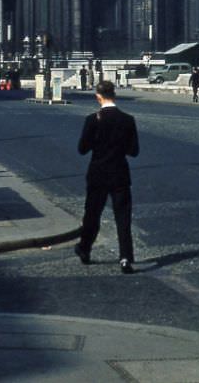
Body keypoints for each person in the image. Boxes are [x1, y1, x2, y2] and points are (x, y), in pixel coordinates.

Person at [75, 80, 139, 274]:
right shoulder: (128, 120)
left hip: (98, 173)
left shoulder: (93, 119)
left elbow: (82, 149)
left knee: (92, 214)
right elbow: (134, 151)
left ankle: (85, 249)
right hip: (120, 172)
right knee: (123, 218)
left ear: (98, 96)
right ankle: (126, 257)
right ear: (115, 95)